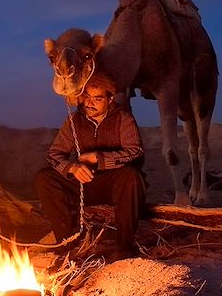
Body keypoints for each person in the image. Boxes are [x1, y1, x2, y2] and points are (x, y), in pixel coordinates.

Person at [35, 84, 146, 259]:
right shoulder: (75, 120)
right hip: (82, 184)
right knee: (44, 178)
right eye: (87, 97)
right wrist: (72, 167)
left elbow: (135, 152)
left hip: (113, 185)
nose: (90, 103)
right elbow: (54, 155)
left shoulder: (123, 118)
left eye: (97, 98)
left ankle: (124, 246)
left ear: (110, 100)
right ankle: (66, 242)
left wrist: (99, 158)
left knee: (131, 176)